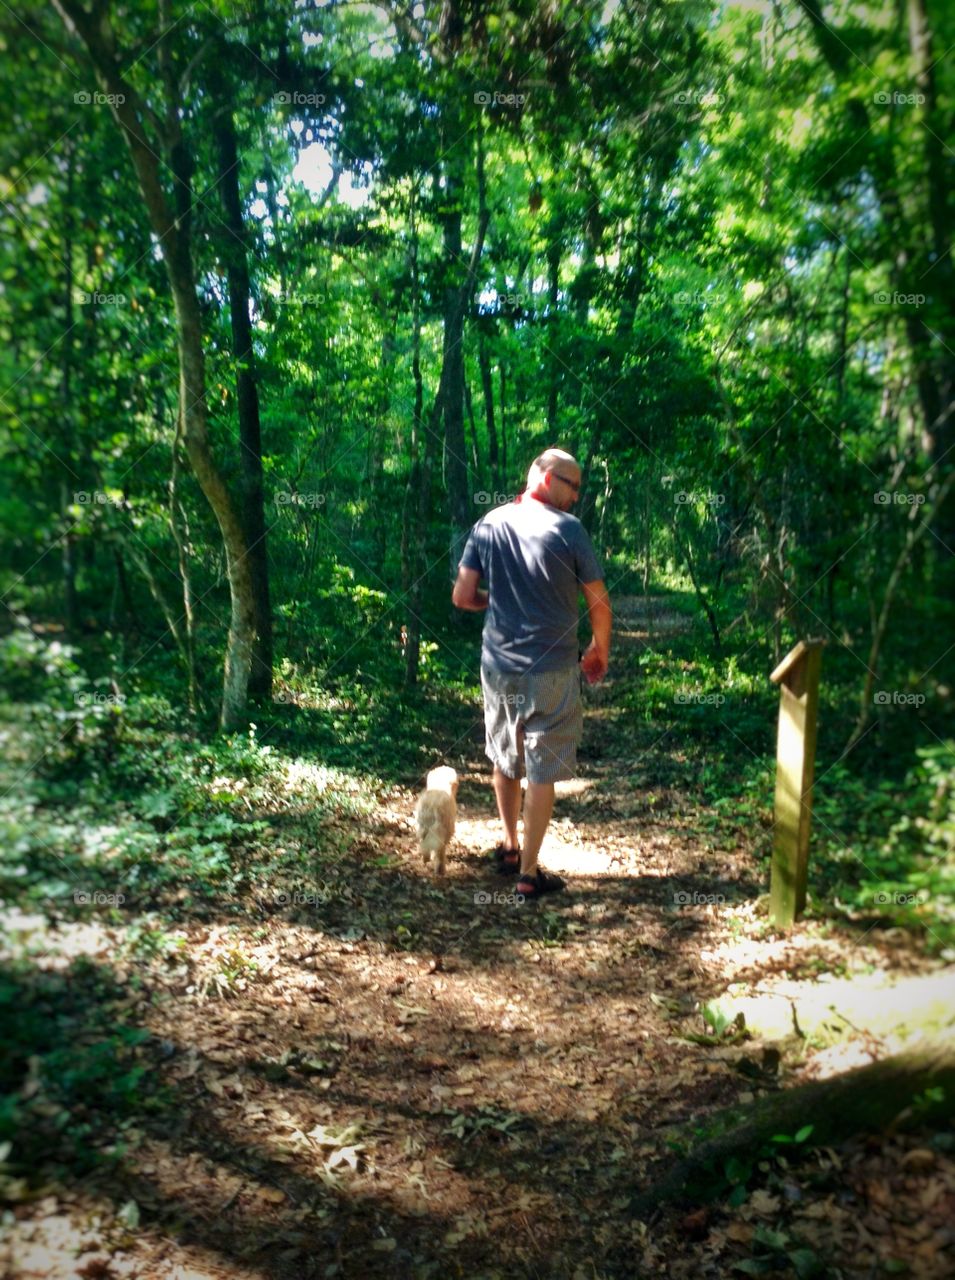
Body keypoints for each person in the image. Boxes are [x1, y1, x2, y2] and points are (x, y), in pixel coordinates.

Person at [452, 448, 611, 900]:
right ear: (542, 476)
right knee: (542, 768)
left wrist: (496, 602)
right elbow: (598, 600)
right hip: (554, 669)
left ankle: (508, 844)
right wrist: (601, 648)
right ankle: (528, 872)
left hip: (500, 665)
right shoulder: (570, 531)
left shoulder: (489, 524)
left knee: (506, 755)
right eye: (572, 485)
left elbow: (462, 596)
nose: (576, 497)